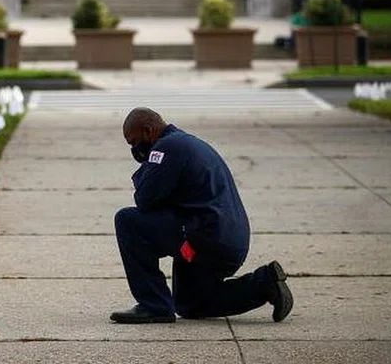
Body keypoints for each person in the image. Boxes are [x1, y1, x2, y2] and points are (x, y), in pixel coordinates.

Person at [110, 107, 294, 324]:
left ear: (148, 130)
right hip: (227, 243)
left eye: (133, 142)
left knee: (127, 221)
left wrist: (145, 174)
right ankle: (265, 283)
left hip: (204, 238)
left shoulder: (166, 147)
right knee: (191, 303)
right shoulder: (187, 143)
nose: (134, 149)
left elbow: (145, 199)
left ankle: (154, 305)